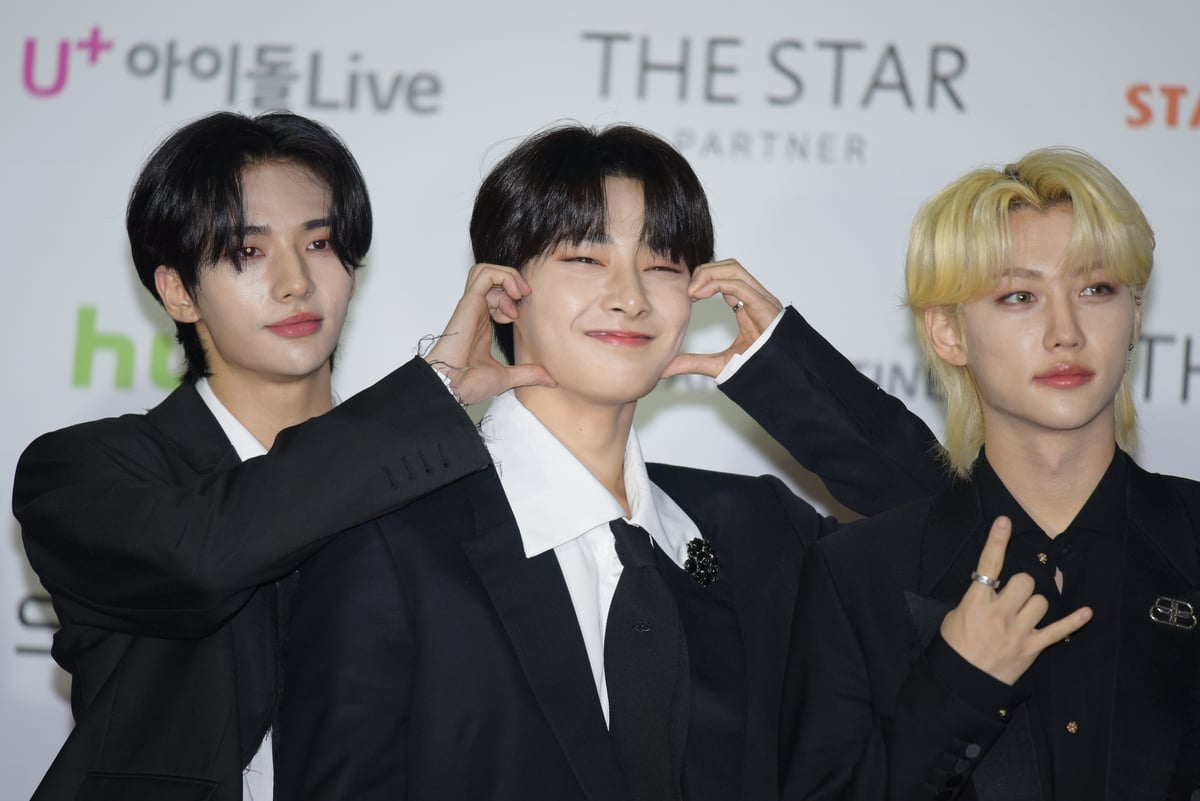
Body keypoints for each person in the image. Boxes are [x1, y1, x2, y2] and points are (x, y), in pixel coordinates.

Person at [275, 123, 949, 801]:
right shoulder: (392, 543)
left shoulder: (763, 531)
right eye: (586, 259)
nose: (630, 295)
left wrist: (786, 368)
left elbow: (956, 540)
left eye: (661, 264)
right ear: (505, 292)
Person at [12, 110, 549, 801]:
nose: (296, 282)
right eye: (249, 252)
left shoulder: (436, 483)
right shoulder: (85, 469)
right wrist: (434, 388)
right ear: (176, 289)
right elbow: (206, 556)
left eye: (320, 243)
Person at [779, 148, 1200, 800]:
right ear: (948, 333)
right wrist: (955, 687)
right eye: (1020, 296)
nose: (1066, 331)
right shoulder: (856, 577)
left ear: (1136, 315)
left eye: (1096, 289)